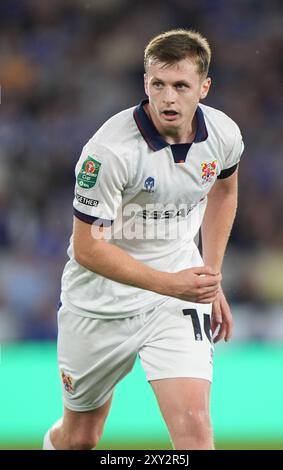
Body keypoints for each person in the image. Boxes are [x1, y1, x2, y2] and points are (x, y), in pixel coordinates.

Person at [43, 29, 244, 450]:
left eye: (181, 86)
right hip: (100, 304)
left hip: (175, 296)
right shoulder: (109, 152)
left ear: (204, 88)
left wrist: (208, 277)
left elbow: (224, 189)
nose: (169, 98)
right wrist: (176, 284)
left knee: (195, 432)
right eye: (159, 85)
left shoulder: (223, 135)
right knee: (80, 438)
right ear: (145, 83)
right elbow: (87, 247)